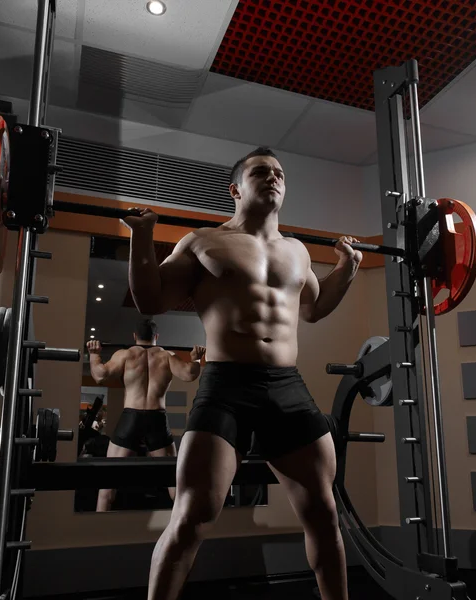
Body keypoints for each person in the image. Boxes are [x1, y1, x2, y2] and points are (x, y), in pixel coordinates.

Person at [123, 147, 362, 600]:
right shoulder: (203, 242)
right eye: (260, 172)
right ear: (235, 189)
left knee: (324, 514)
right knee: (192, 514)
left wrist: (347, 270)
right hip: (226, 386)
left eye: (279, 173)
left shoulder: (297, 251)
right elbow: (150, 300)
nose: (273, 178)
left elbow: (314, 308)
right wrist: (140, 237)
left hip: (286, 386)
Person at [86, 318, 206, 512]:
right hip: (157, 419)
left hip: (130, 418)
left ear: (135, 336)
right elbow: (189, 374)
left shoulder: (125, 355)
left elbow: (100, 375)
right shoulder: (167, 356)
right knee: (174, 484)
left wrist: (94, 355)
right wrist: (196, 358)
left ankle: (98, 532)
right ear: (156, 337)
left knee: (107, 485)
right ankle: (182, 530)